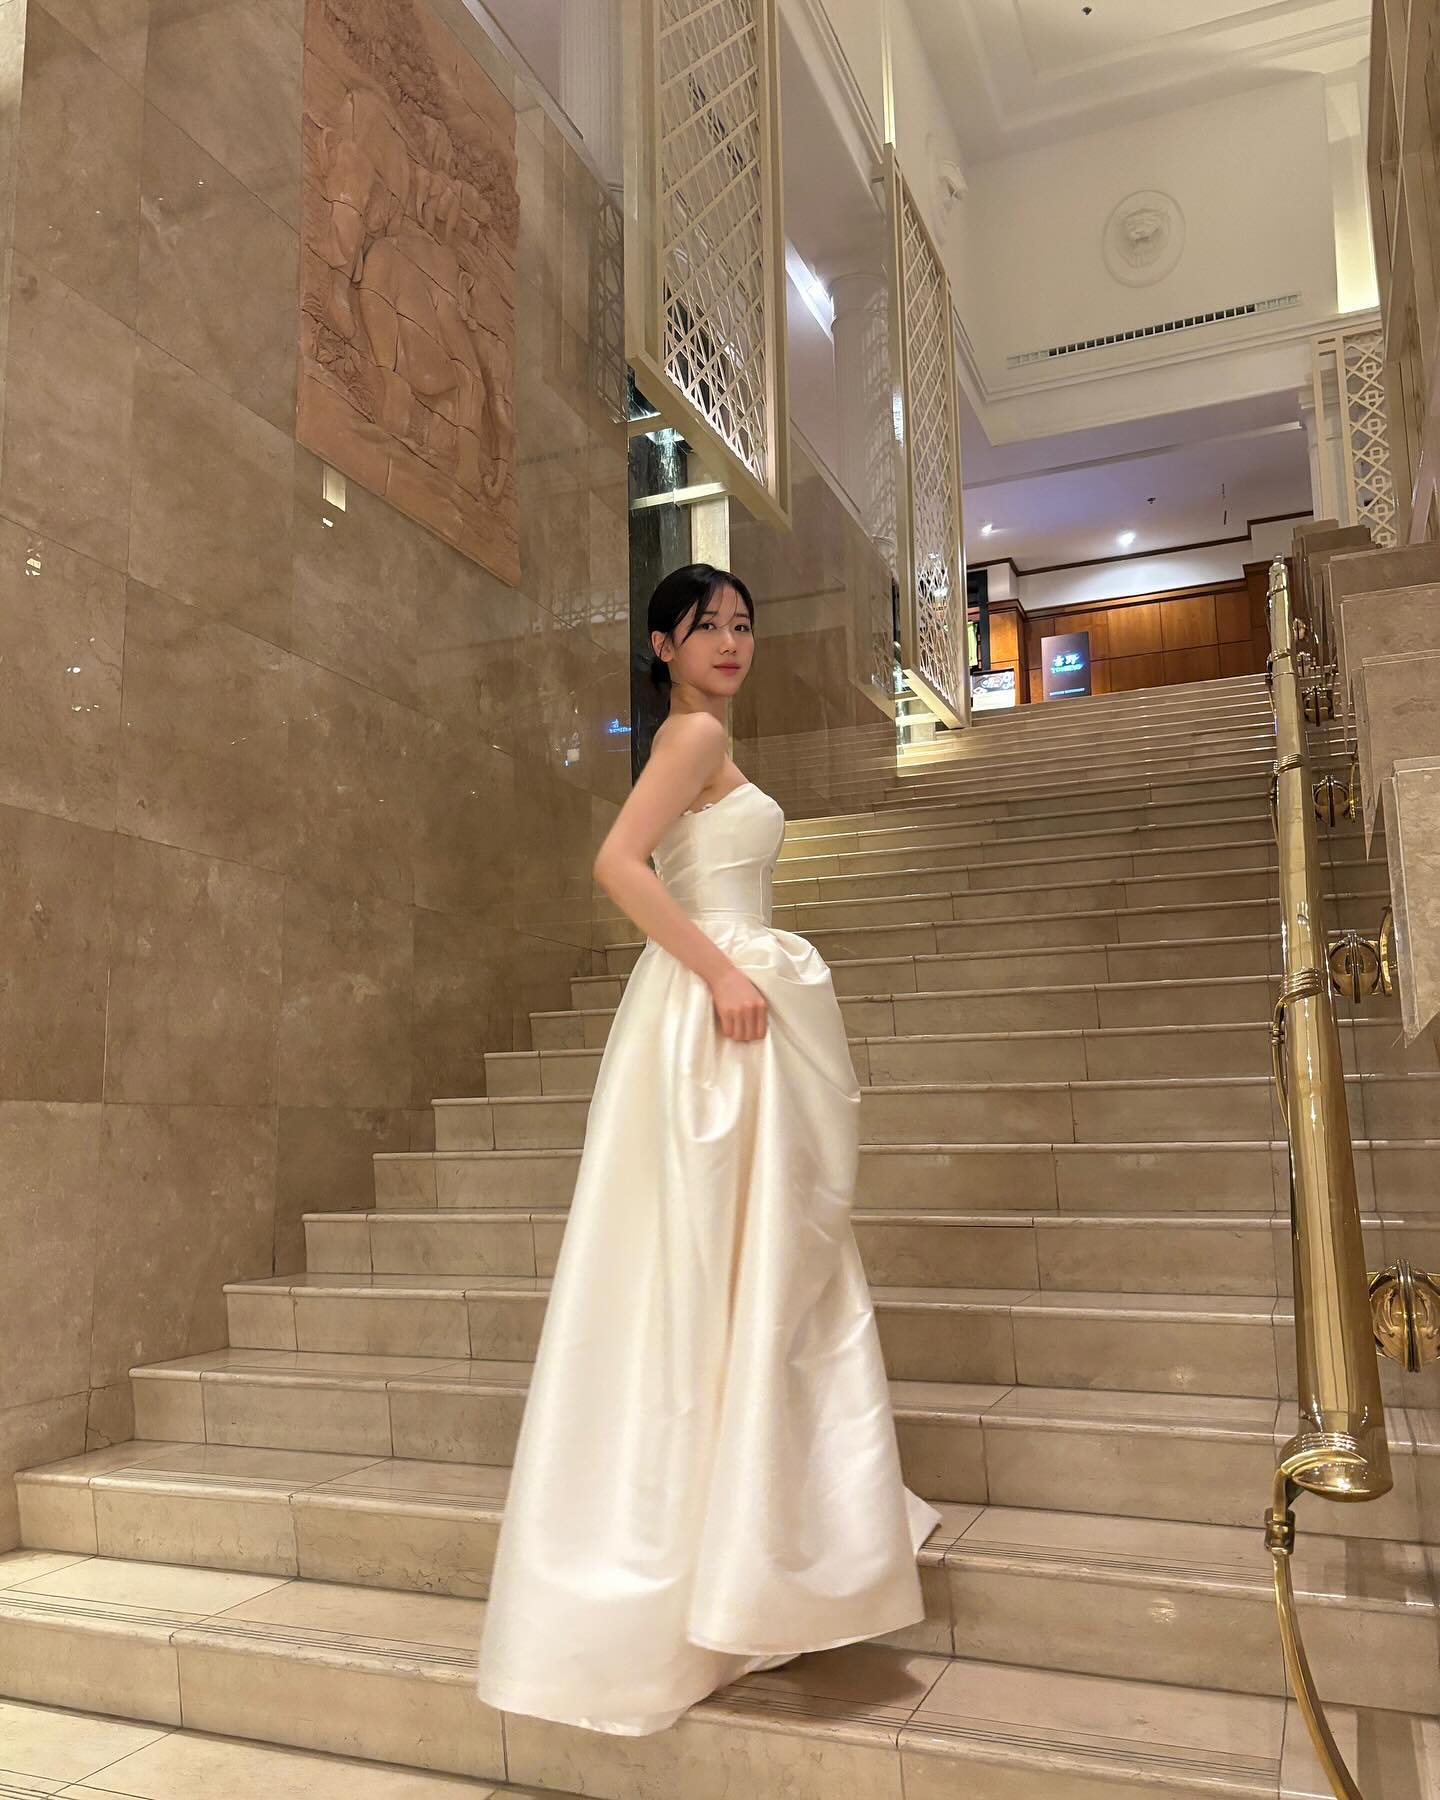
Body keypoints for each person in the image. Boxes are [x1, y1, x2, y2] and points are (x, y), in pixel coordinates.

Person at [474, 563, 939, 1736]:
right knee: (736, 1264)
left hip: (704, 1010)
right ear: (662, 644)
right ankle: (731, 1555)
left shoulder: (698, 737)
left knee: (742, 1263)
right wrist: (726, 969)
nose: (730, 642)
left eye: (742, 624)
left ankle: (746, 1540)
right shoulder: (691, 738)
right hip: (708, 1010)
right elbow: (615, 865)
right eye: (706, 627)